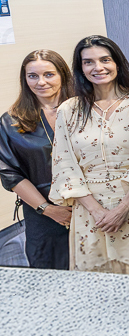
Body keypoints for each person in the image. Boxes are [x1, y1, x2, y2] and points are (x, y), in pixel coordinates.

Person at [50, 36, 129, 276]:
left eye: (105, 60)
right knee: (99, 288)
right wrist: (97, 211)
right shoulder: (68, 110)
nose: (98, 67)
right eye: (88, 62)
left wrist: (123, 207)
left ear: (118, 63)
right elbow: (63, 162)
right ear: (80, 68)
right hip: (90, 213)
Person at [0, 50, 74, 269]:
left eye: (49, 74)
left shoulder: (84, 110)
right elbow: (9, 173)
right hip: (43, 214)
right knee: (51, 277)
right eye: (33, 76)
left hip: (93, 209)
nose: (41, 82)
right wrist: (48, 210)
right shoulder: (11, 122)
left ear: (62, 75)